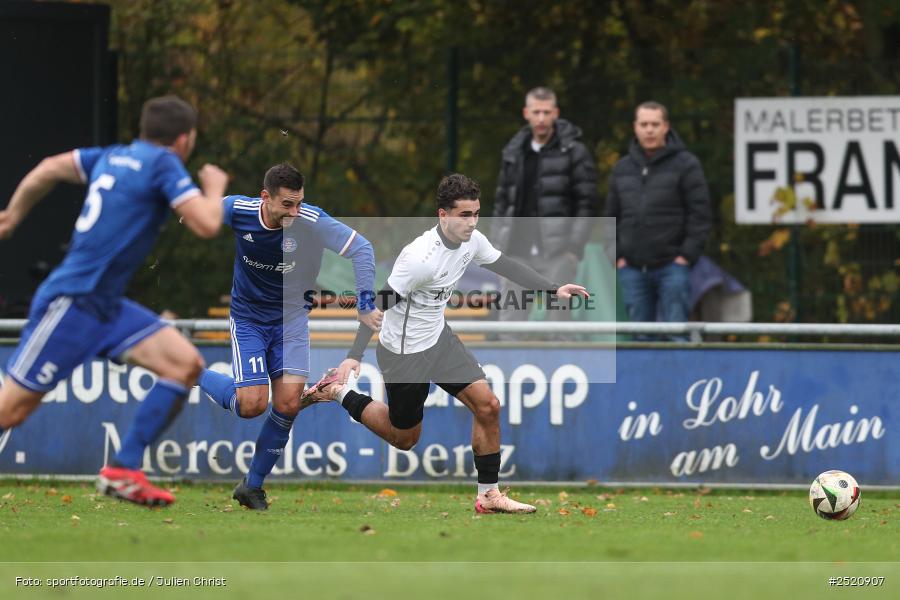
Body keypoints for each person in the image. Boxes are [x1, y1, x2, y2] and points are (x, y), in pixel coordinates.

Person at [303, 174, 589, 514]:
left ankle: (488, 495)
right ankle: (339, 391)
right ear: (443, 215)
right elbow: (377, 306)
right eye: (464, 215)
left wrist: (553, 288)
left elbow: (505, 264)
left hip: (439, 340)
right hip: (404, 353)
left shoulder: (473, 240)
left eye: (476, 213)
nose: (472, 222)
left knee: (488, 405)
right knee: (404, 438)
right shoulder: (418, 258)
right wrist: (353, 357)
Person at [0, 95, 228, 506]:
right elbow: (208, 223)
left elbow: (49, 167)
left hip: (106, 306)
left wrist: (14, 214)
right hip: (73, 301)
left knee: (184, 363)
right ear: (184, 139)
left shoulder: (108, 156)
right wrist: (213, 189)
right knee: (10, 412)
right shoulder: (162, 163)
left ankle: (123, 468)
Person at [197, 163, 377, 510]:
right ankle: (192, 372)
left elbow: (363, 249)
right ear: (265, 198)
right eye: (287, 205)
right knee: (251, 405)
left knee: (289, 404)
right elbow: (201, 212)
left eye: (299, 203)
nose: (295, 212)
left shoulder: (311, 220)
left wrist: (366, 303)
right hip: (249, 319)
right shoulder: (238, 210)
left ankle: (252, 486)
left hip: (292, 321)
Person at [604, 101, 711, 340]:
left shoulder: (687, 165)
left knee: (677, 335)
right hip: (631, 268)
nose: (649, 130)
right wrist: (616, 256)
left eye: (655, 124)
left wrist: (686, 257)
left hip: (673, 268)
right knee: (640, 339)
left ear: (666, 127)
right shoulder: (622, 168)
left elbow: (700, 215)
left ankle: (682, 379)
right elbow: (610, 216)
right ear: (635, 127)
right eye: (644, 124)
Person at [492, 86, 597, 329]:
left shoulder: (574, 151)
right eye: (536, 112)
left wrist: (573, 250)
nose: (541, 118)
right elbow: (501, 204)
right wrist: (498, 250)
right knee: (511, 324)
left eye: (546, 112)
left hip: (558, 252)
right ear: (526, 113)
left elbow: (586, 203)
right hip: (515, 252)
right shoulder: (513, 152)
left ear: (556, 113)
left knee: (558, 324)